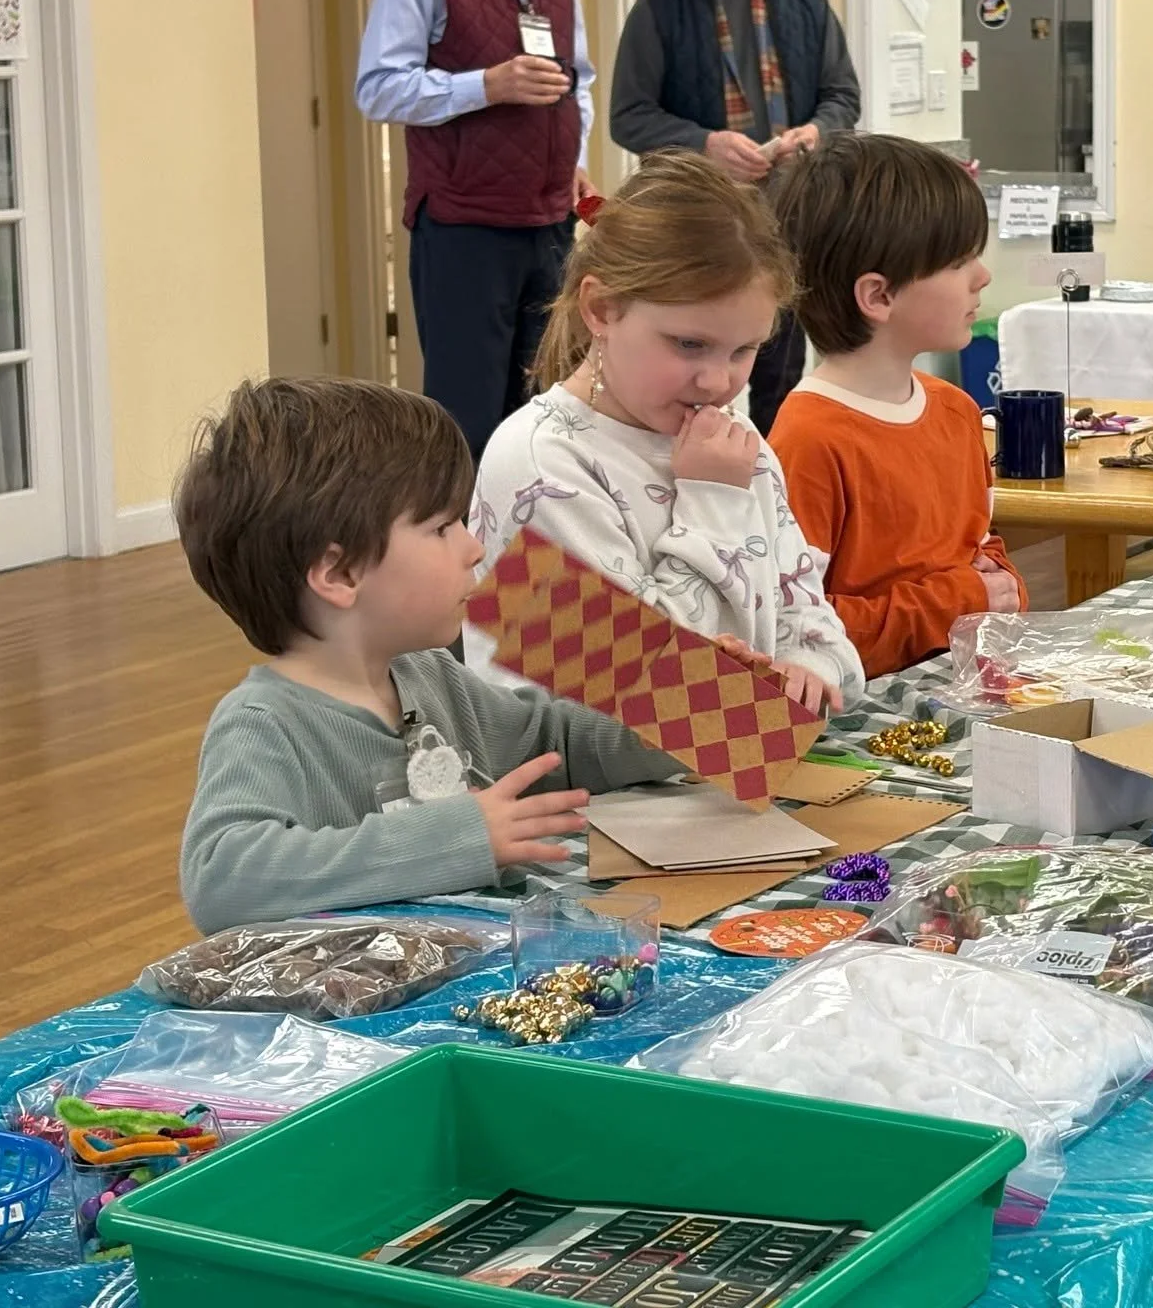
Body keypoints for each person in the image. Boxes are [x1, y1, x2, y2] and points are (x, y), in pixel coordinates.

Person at [173, 378, 686, 934]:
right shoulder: (264, 724)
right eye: (442, 527)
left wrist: (681, 709)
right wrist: (457, 837)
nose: (473, 547)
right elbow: (221, 879)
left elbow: (553, 744)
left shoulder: (432, 675)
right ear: (340, 574)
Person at [467, 150, 864, 714]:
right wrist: (712, 502)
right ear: (602, 308)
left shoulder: (732, 443)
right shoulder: (536, 462)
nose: (718, 381)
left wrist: (811, 668)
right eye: (689, 344)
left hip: (744, 770)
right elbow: (637, 703)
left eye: (744, 349)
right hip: (591, 795)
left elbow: (820, 631)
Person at [355, 0, 599, 462]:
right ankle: (463, 562)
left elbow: (577, 72)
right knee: (470, 421)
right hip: (464, 228)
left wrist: (571, 149)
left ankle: (540, 564)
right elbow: (377, 88)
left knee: (551, 413)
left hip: (550, 222)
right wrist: (488, 85)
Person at [609, 0, 863, 434]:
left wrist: (816, 132)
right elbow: (629, 115)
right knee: (701, 364)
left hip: (792, 211)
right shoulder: (662, 1)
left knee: (779, 369)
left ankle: (776, 493)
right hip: (701, 219)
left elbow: (843, 97)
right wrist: (705, 144)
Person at [767, 134, 1024, 679]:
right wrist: (960, 601)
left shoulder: (955, 410)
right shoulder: (808, 440)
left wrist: (1000, 587)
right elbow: (799, 632)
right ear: (878, 297)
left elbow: (981, 553)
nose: (983, 276)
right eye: (960, 261)